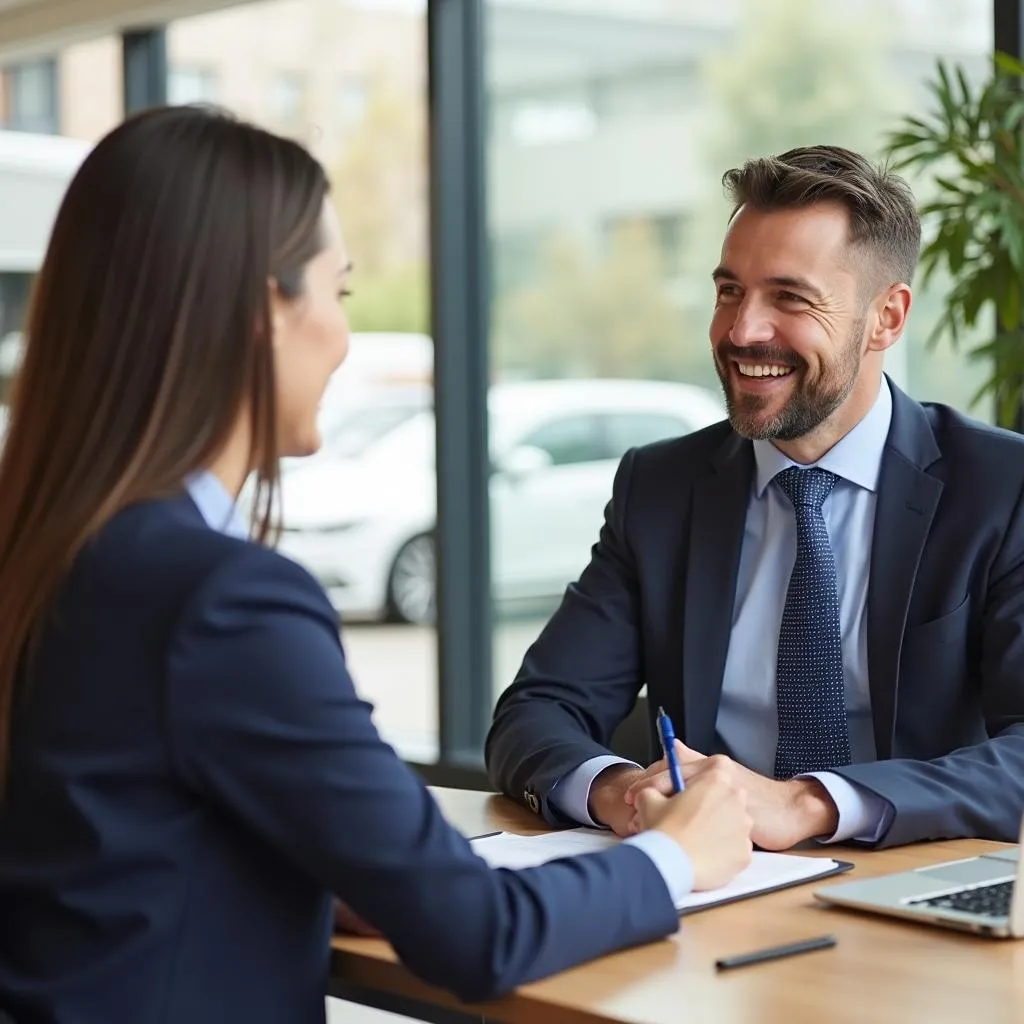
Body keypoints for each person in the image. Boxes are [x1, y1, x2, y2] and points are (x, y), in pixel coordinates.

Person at [0, 106, 756, 1024]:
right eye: (340, 293)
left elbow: (123, 852)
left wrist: (320, 870)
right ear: (259, 314)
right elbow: (476, 933)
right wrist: (678, 855)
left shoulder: (54, 550)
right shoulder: (219, 599)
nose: (344, 339)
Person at [486, 144, 1024, 853]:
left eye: (790, 297)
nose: (742, 331)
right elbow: (537, 711)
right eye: (729, 291)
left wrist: (809, 804)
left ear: (887, 319)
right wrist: (620, 790)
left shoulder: (1000, 488)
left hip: (916, 889)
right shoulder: (660, 488)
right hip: (714, 890)